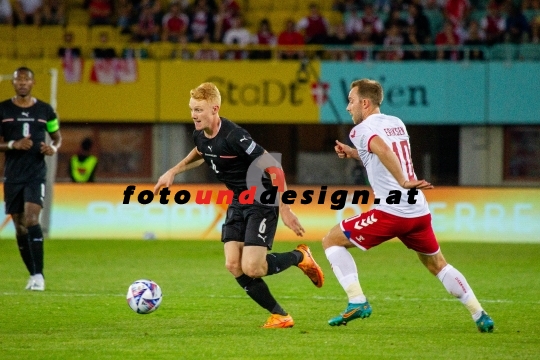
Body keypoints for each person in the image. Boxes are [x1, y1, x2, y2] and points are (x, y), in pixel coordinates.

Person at [322, 79, 494, 333]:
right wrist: (353, 152)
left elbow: (381, 149)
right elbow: (380, 152)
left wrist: (403, 180)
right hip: (418, 211)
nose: (348, 107)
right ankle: (480, 314)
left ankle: (357, 301)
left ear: (365, 103)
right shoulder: (396, 123)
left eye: (351, 101)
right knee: (438, 265)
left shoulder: (361, 129)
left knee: (331, 241)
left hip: (392, 211)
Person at [153, 82, 324, 328]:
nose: (193, 115)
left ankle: (300, 256)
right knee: (233, 265)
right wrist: (173, 171)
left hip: (261, 198)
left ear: (215, 108)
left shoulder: (235, 136)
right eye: (192, 109)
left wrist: (285, 207)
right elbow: (201, 152)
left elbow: (273, 166)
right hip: (238, 199)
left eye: (199, 110)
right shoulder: (199, 134)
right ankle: (280, 315)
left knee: (253, 267)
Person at [0, 67, 62, 291]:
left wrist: (52, 148)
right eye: (19, 79)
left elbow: (56, 137)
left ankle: (39, 275)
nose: (23, 83)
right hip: (13, 175)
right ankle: (33, 274)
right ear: (13, 83)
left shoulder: (45, 110)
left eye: (26, 79)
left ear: (33, 83)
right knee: (20, 228)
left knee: (32, 218)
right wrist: (12, 145)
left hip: (36, 174)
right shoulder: (3, 109)